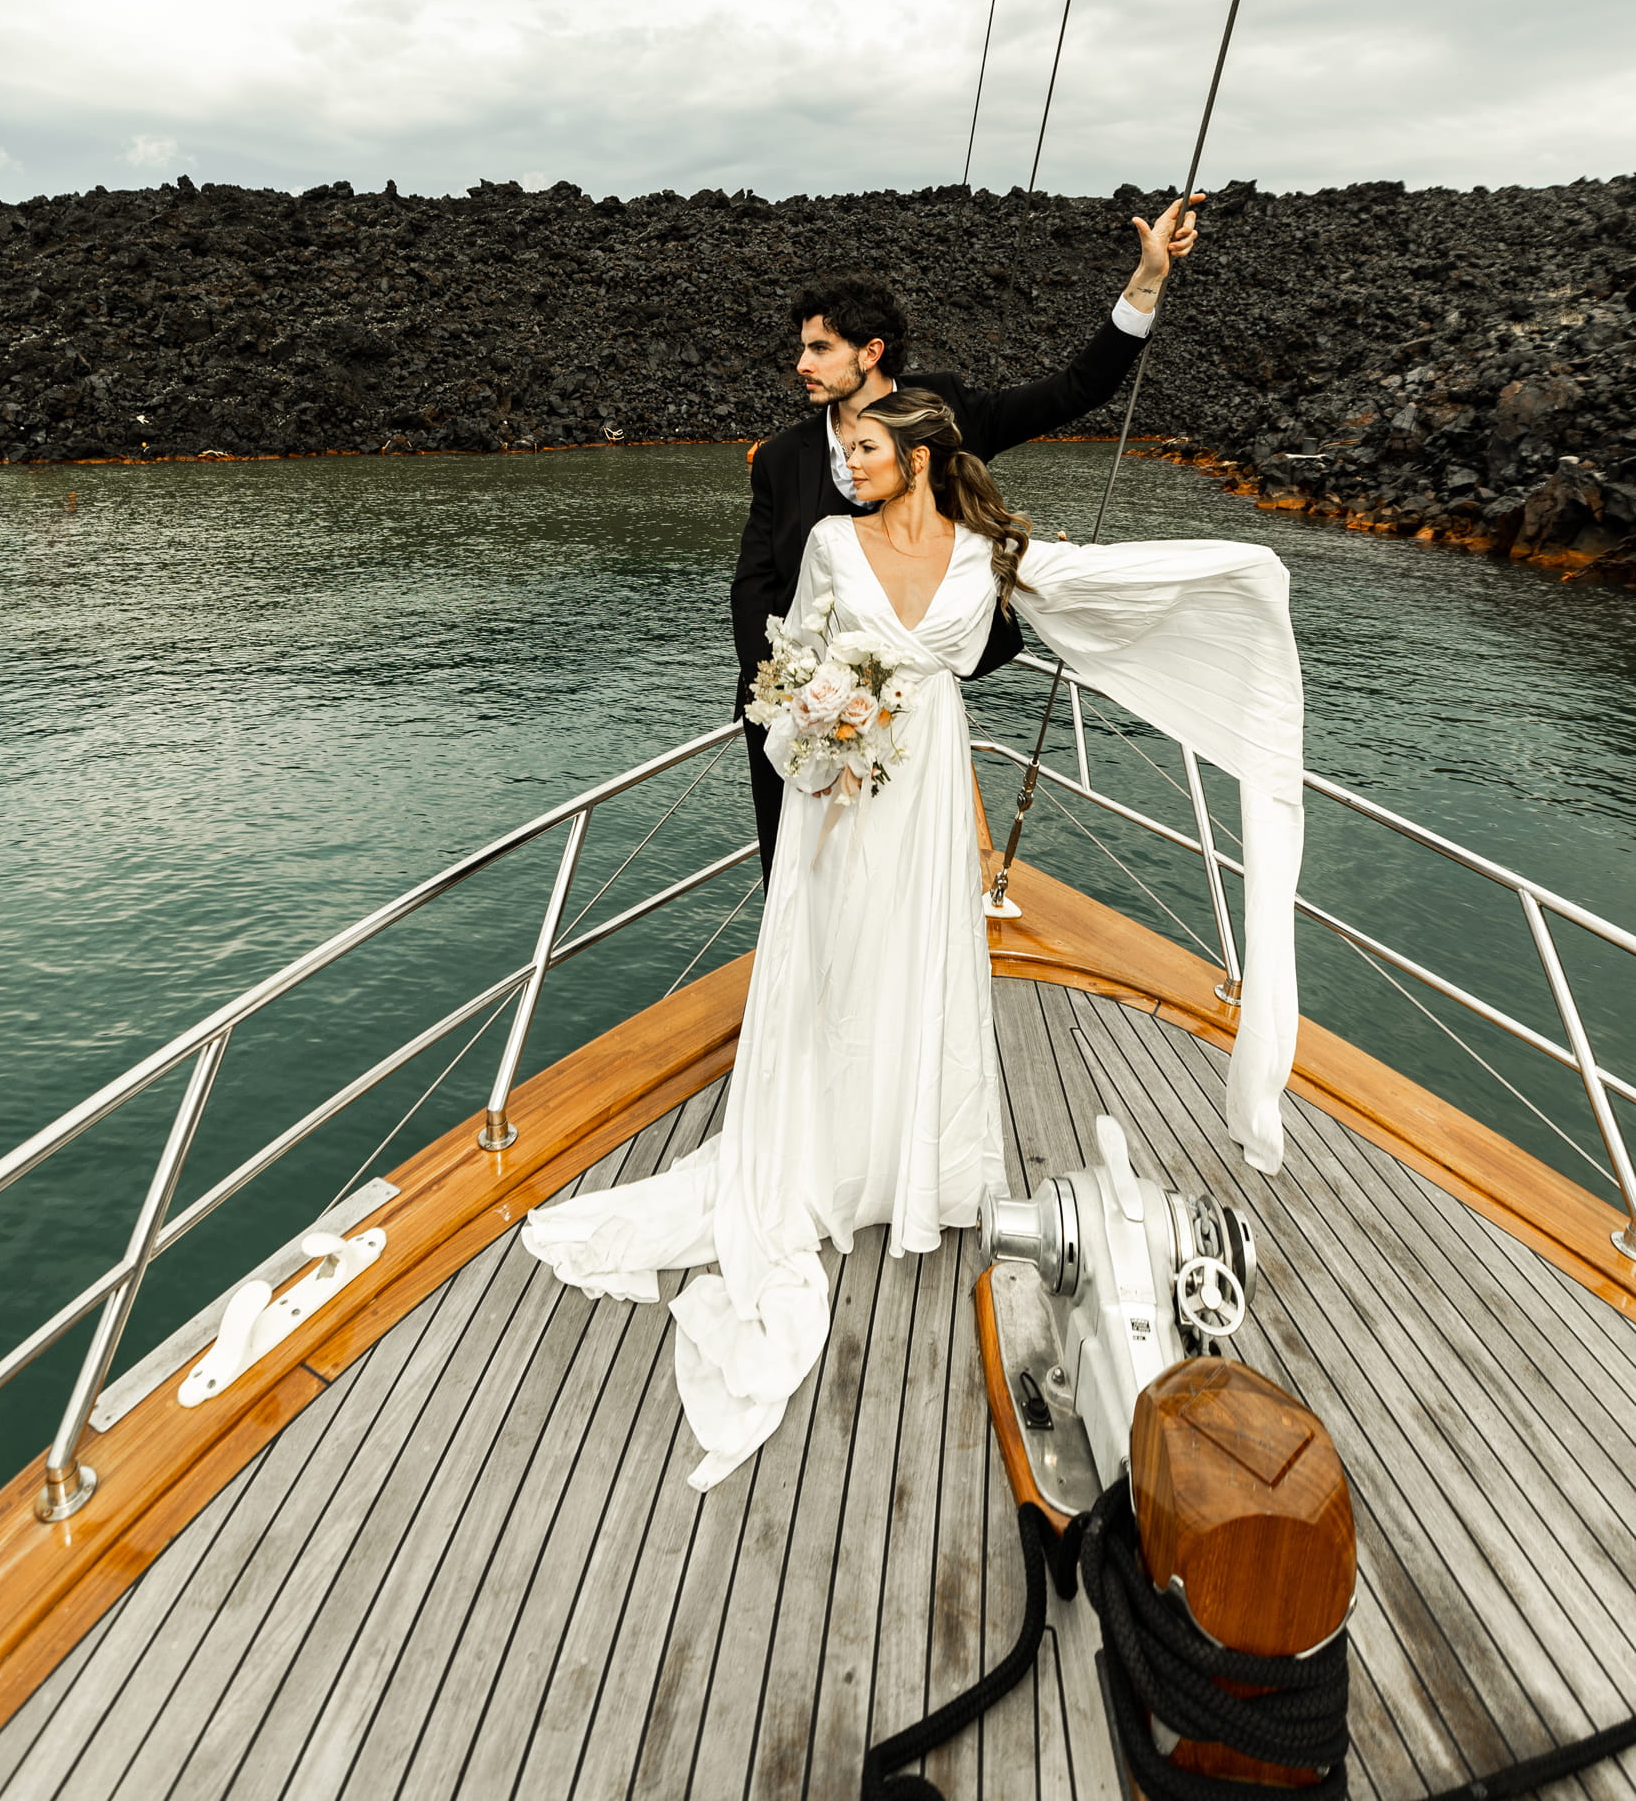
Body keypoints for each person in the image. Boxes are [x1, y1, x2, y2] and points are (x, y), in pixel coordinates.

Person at [523, 388, 1304, 1491]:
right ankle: (825, 1153)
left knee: (918, 964)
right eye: (843, 448)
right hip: (840, 793)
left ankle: (907, 1161)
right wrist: (815, 723)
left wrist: (1238, 579)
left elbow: (1090, 593)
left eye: (865, 447)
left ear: (924, 455)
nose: (846, 462)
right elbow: (791, 658)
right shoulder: (830, 541)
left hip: (930, 784)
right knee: (837, 969)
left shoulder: (986, 547)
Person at [731, 195, 1203, 884]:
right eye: (801, 348)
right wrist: (778, 695)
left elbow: (1076, 388)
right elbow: (755, 584)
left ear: (870, 352)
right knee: (799, 877)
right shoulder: (781, 456)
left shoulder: (942, 413)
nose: (800, 363)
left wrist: (1147, 281)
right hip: (805, 710)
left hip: (913, 706)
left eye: (817, 348)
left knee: (902, 875)